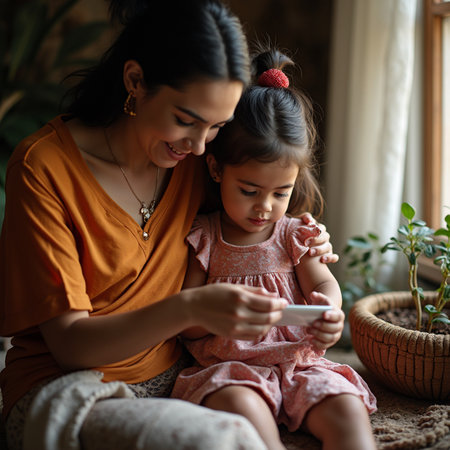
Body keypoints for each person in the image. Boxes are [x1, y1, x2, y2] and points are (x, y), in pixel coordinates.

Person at [0, 1, 337, 449]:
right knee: (219, 440)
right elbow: (71, 347)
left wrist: (303, 236)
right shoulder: (45, 168)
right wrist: (192, 308)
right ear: (135, 81)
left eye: (215, 127)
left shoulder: (196, 160)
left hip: (181, 373)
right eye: (186, 121)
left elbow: (263, 193)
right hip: (73, 387)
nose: (198, 147)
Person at [170, 47, 378, 450]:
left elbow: (324, 285)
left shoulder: (297, 233)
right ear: (216, 170)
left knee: (345, 408)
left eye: (280, 192)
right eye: (248, 191)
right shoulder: (205, 236)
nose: (264, 206)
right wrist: (219, 310)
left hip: (298, 362)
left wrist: (329, 312)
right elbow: (187, 321)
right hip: (232, 368)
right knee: (242, 410)